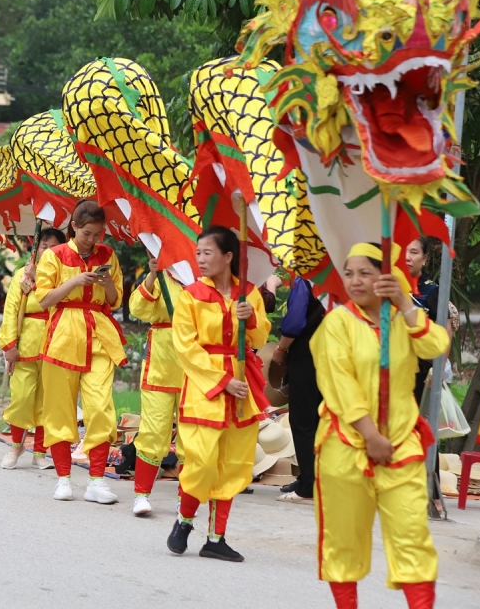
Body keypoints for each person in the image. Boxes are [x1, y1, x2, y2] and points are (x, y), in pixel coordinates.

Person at [311, 243, 447, 609]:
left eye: (365, 273)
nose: (354, 281)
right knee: (343, 541)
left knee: (413, 538)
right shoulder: (336, 323)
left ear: (385, 277)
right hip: (346, 445)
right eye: (349, 273)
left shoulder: (403, 318)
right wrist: (370, 434)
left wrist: (404, 303)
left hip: (402, 443)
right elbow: (339, 384)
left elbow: (436, 346)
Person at [167, 226, 270, 561]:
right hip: (206, 387)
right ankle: (184, 521)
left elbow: (259, 339)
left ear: (228, 257)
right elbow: (186, 346)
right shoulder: (191, 295)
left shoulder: (249, 293)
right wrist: (223, 381)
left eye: (207, 252)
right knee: (201, 460)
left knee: (233, 463)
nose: (200, 259)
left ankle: (216, 538)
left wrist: (250, 319)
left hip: (243, 385)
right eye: (198, 253)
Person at [36, 200, 125, 504]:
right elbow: (44, 299)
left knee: (100, 408)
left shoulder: (108, 255)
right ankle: (63, 478)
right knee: (59, 410)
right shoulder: (54, 255)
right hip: (63, 334)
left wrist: (108, 283)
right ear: (74, 227)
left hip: (99, 333)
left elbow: (114, 301)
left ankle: (97, 481)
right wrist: (74, 281)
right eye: (87, 233)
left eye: (98, 234)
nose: (92, 240)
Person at [0, 227, 67, 471]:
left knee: (48, 400)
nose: (48, 251)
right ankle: (16, 446)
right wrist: (9, 345)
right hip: (26, 342)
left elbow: (62, 305)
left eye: (54, 247)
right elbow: (11, 311)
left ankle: (40, 451)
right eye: (44, 246)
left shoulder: (64, 276)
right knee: (22, 397)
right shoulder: (21, 275)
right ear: (36, 247)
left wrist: (39, 279)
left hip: (55, 341)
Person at [126, 252, 185, 516]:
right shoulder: (162, 276)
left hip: (194, 364)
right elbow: (138, 309)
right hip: (160, 362)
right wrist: (152, 274)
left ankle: (186, 497)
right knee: (153, 430)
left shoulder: (203, 280)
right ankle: (141, 494)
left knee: (192, 435)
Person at [273, 275, 326, 503]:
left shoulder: (306, 280)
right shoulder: (340, 278)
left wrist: (281, 349)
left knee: (303, 420)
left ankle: (308, 487)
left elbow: (294, 322)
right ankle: (314, 478)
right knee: (323, 419)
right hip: (335, 354)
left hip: (306, 353)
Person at [405, 237, 439, 402]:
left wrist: (437, 370)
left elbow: (444, 331)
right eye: (403, 252)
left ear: (424, 259)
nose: (407, 257)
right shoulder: (389, 285)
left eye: (413, 252)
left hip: (419, 371)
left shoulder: (431, 290)